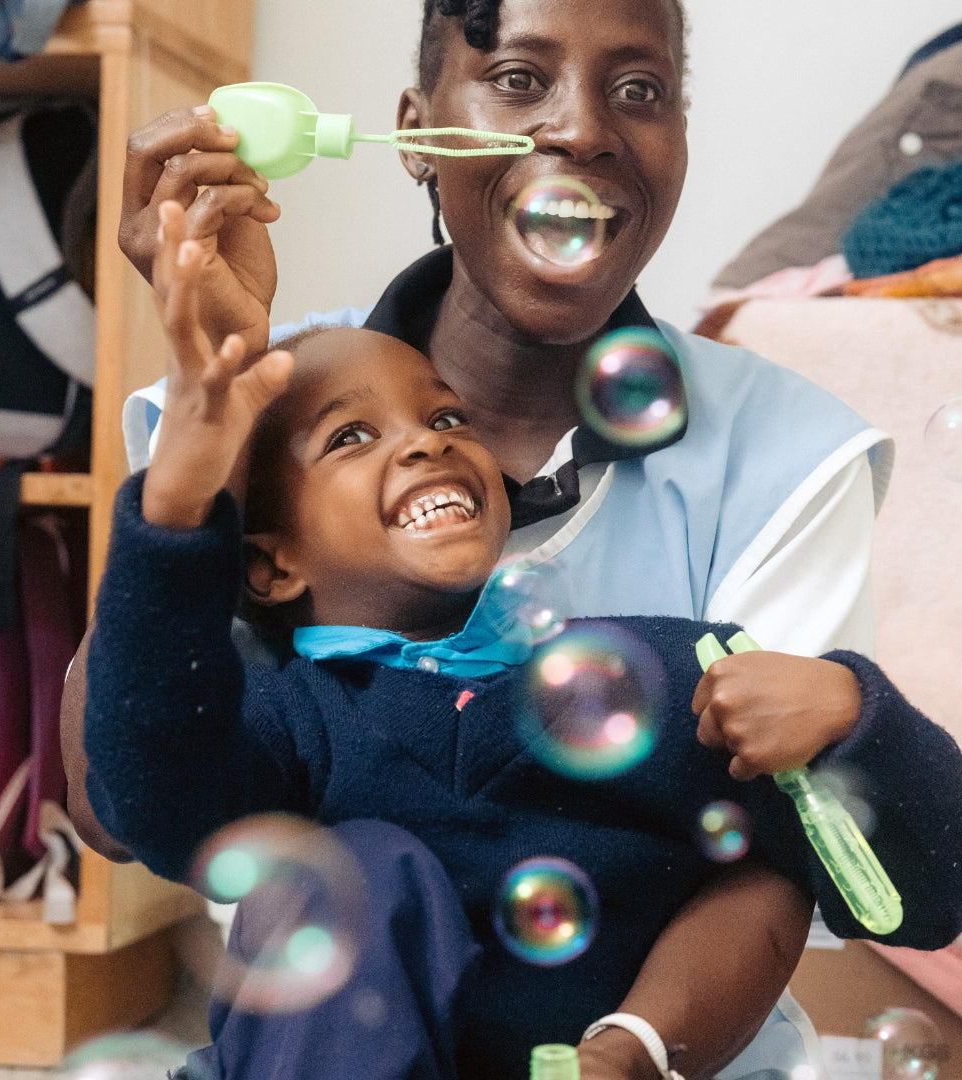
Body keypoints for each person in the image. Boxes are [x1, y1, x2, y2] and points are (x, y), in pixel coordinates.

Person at [65, 0, 916, 1074]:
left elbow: (788, 857)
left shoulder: (793, 456)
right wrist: (217, 408)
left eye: (640, 90)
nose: (582, 129)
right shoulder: (248, 399)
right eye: (518, 78)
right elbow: (116, 805)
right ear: (416, 131)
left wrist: (629, 1055)